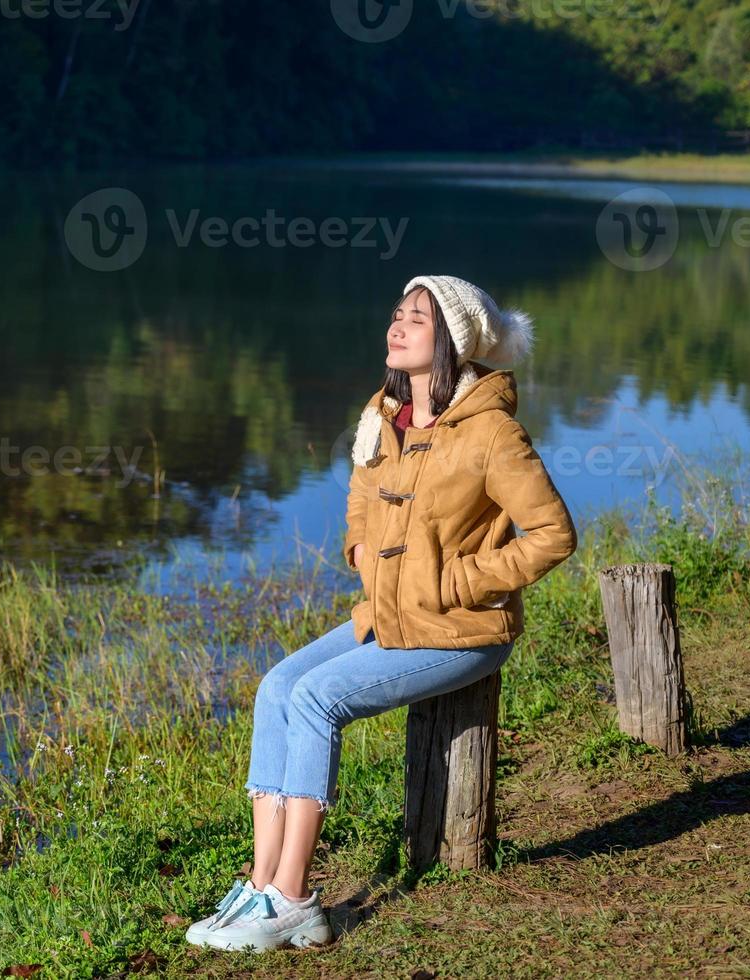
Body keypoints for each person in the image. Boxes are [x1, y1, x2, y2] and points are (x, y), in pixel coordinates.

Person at [186, 274, 578, 953]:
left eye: (416, 320)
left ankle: (293, 898)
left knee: (314, 700)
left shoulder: (491, 432)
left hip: (463, 629)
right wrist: (362, 546)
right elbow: (362, 500)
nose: (396, 327)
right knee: (277, 687)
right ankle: (260, 881)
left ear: (452, 341)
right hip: (392, 614)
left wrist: (458, 580)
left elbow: (552, 535)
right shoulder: (384, 415)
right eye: (396, 314)